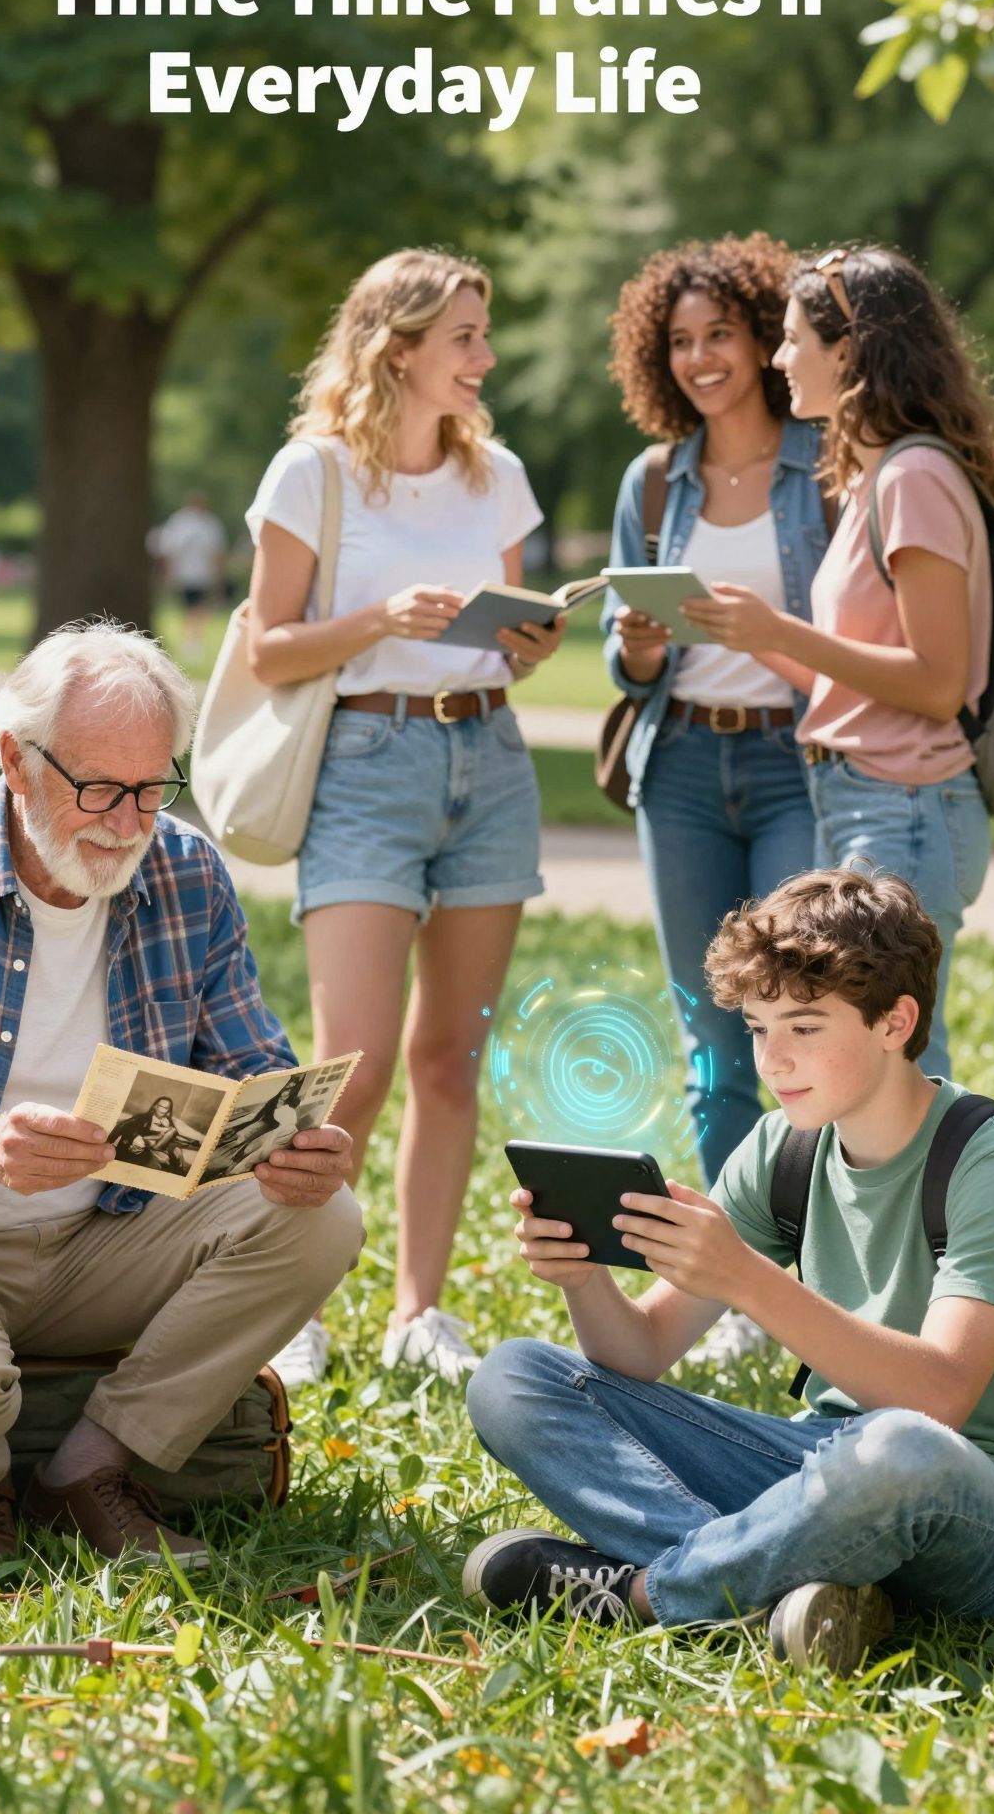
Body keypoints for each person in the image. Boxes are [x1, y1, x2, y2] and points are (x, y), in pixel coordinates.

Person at [0, 620, 362, 1570]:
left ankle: (92, 1471)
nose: (129, 823)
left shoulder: (185, 872)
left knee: (324, 1218)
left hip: (112, 1236)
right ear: (15, 757)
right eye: (100, 788)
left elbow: (257, 1069)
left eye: (151, 788)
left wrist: (300, 1144)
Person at [462, 869, 994, 1672]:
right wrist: (584, 1278)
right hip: (820, 1466)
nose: (775, 1061)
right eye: (757, 1029)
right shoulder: (782, 1149)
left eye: (805, 1027)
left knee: (899, 1449)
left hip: (969, 1497)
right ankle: (786, 1588)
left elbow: (939, 1401)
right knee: (513, 1379)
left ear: (896, 1022)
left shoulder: (988, 1161)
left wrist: (749, 1279)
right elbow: (642, 1353)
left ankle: (653, 1594)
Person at [245, 247, 561, 1385]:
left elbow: (517, 648)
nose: (485, 356)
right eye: (466, 337)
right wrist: (381, 617)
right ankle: (291, 1300)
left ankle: (418, 1311)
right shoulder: (312, 471)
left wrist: (529, 641)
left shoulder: (499, 477)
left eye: (484, 334)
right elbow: (267, 643)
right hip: (364, 762)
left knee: (447, 1058)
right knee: (355, 1063)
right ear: (401, 348)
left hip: (488, 752)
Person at [682, 246, 994, 1079]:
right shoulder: (876, 478)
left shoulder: (915, 476)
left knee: (893, 1075)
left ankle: (957, 1212)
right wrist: (754, 635)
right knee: (871, 1074)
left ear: (851, 349)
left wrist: (783, 633)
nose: (780, 358)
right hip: (865, 797)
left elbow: (936, 680)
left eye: (794, 340)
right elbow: (864, 680)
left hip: (906, 805)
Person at [603, 234, 831, 1363]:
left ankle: (814, 1275)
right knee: (712, 1034)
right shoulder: (654, 482)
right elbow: (622, 666)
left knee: (798, 1014)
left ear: (761, 339)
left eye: (722, 336)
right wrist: (642, 645)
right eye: (681, 341)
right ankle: (732, 1290)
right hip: (683, 767)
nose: (702, 358)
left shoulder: (827, 463)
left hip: (798, 759)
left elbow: (854, 637)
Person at [153, 492, 227, 661]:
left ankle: (193, 641)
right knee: (190, 609)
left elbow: (216, 553)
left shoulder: (208, 523)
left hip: (201, 575)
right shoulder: (181, 523)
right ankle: (191, 641)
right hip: (186, 575)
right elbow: (169, 552)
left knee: (197, 609)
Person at [111, 1096, 203, 1175]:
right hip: (142, 1144)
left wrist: (192, 1142)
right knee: (164, 1157)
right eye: (161, 1107)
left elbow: (175, 1137)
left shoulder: (167, 1122)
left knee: (177, 1150)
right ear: (155, 1106)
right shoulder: (144, 1118)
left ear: (168, 1111)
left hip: (157, 1144)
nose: (163, 1110)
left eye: (166, 1108)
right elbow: (125, 1126)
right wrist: (111, 1141)